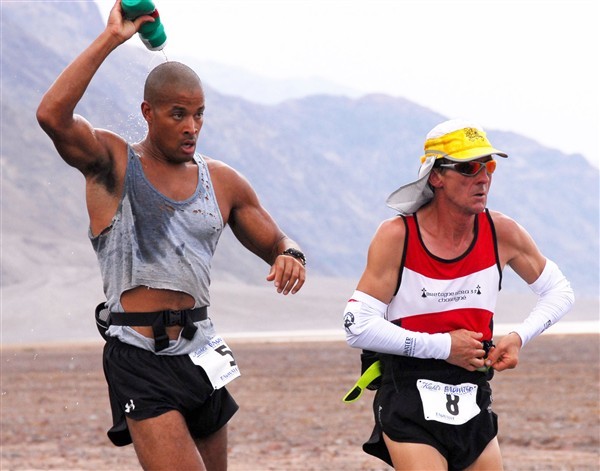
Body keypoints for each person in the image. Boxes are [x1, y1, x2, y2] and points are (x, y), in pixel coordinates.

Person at [36, 2, 306, 470]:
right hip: (141, 356)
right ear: (148, 112)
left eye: (199, 115)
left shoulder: (222, 181)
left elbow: (277, 241)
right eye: (178, 114)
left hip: (202, 350)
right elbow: (52, 116)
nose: (191, 127)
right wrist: (112, 38)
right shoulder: (113, 163)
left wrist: (291, 255)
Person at [343, 118, 574, 470]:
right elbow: (356, 325)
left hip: (472, 390)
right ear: (436, 176)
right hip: (408, 393)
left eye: (488, 166)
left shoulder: (501, 232)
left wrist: (518, 337)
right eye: (468, 168)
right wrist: (444, 347)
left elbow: (559, 291)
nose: (483, 178)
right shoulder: (397, 236)